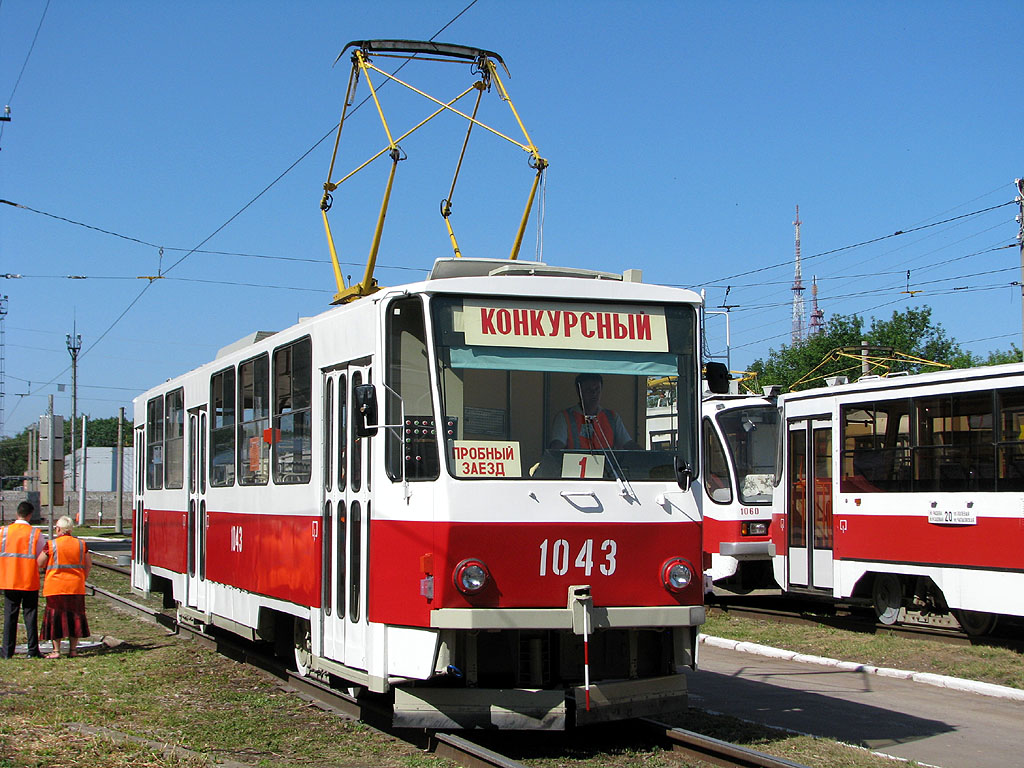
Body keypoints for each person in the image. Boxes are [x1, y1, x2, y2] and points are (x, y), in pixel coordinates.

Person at [37, 515, 91, 658]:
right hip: (75, 586)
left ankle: (56, 650)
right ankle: (73, 650)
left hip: (55, 587)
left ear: (59, 529)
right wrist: (81, 578)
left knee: (56, 618)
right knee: (75, 617)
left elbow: (40, 562)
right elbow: (88, 564)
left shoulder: (51, 545)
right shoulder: (81, 544)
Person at [1, 501, 45, 659]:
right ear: (30, 515)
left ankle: (7, 652)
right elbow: (42, 557)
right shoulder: (35, 534)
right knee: (30, 615)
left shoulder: (3, 532)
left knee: (10, 616)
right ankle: (32, 650)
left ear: (16, 513)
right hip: (29, 579)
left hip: (9, 579)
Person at [549, 372, 638, 450]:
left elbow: (628, 444)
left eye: (597, 389)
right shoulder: (564, 417)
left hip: (606, 468)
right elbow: (556, 447)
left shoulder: (612, 417)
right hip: (576, 468)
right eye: (589, 390)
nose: (594, 394)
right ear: (579, 391)